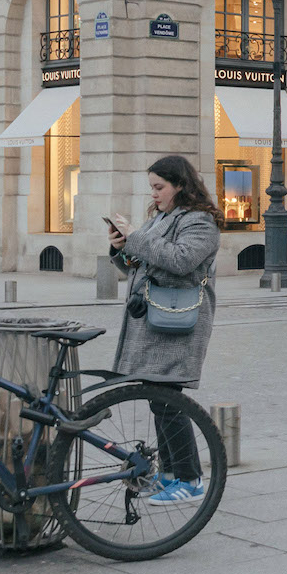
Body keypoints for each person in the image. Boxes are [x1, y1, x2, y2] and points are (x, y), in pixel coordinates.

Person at [107, 155, 223, 506]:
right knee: (159, 398)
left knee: (169, 399)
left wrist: (136, 238)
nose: (154, 194)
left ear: (180, 186)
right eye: (152, 188)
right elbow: (142, 264)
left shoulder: (201, 222)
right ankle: (171, 475)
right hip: (155, 316)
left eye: (160, 187)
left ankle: (189, 479)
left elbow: (180, 260)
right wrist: (121, 249)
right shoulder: (161, 218)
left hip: (179, 318)